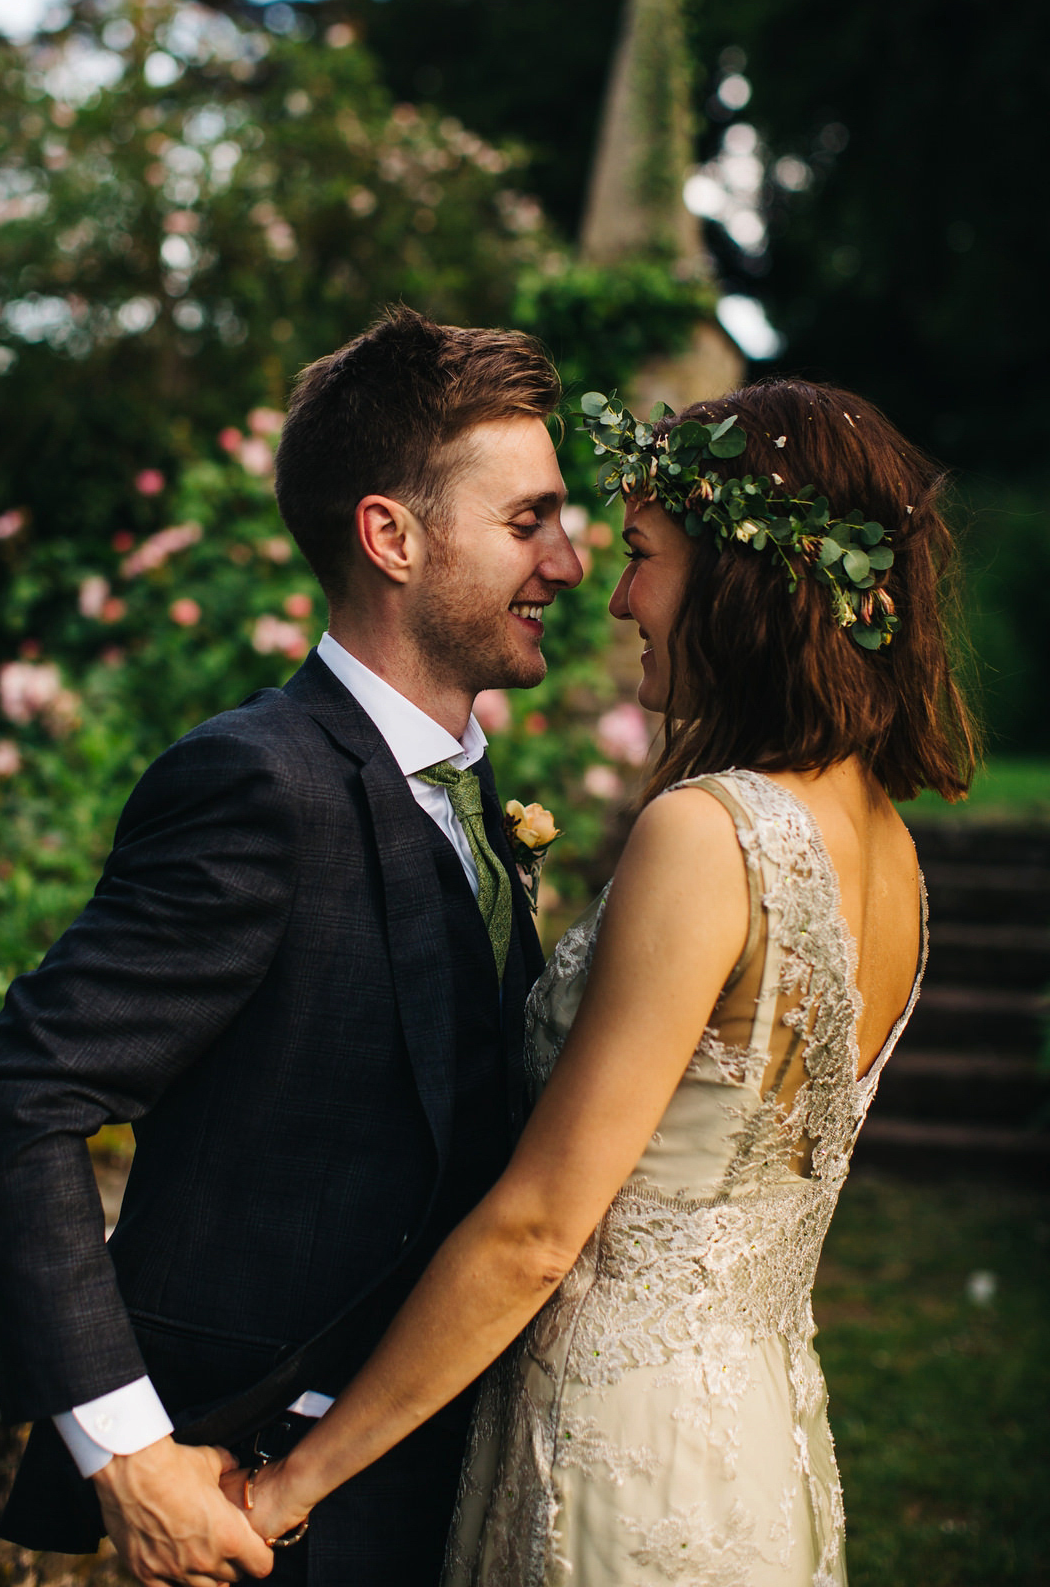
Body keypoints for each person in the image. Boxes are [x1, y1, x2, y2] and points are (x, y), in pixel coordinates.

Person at [231, 378, 977, 1586]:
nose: (618, 594)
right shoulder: (888, 847)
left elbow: (536, 1231)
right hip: (755, 1437)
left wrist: (290, 1488)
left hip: (617, 1444)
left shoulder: (711, 833)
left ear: (747, 583)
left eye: (643, 556)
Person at [0, 305, 585, 1586]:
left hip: (442, 1478)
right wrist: (130, 1455)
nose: (569, 561)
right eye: (529, 521)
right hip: (267, 1508)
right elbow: (19, 1095)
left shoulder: (470, 792)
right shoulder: (259, 783)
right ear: (391, 536)